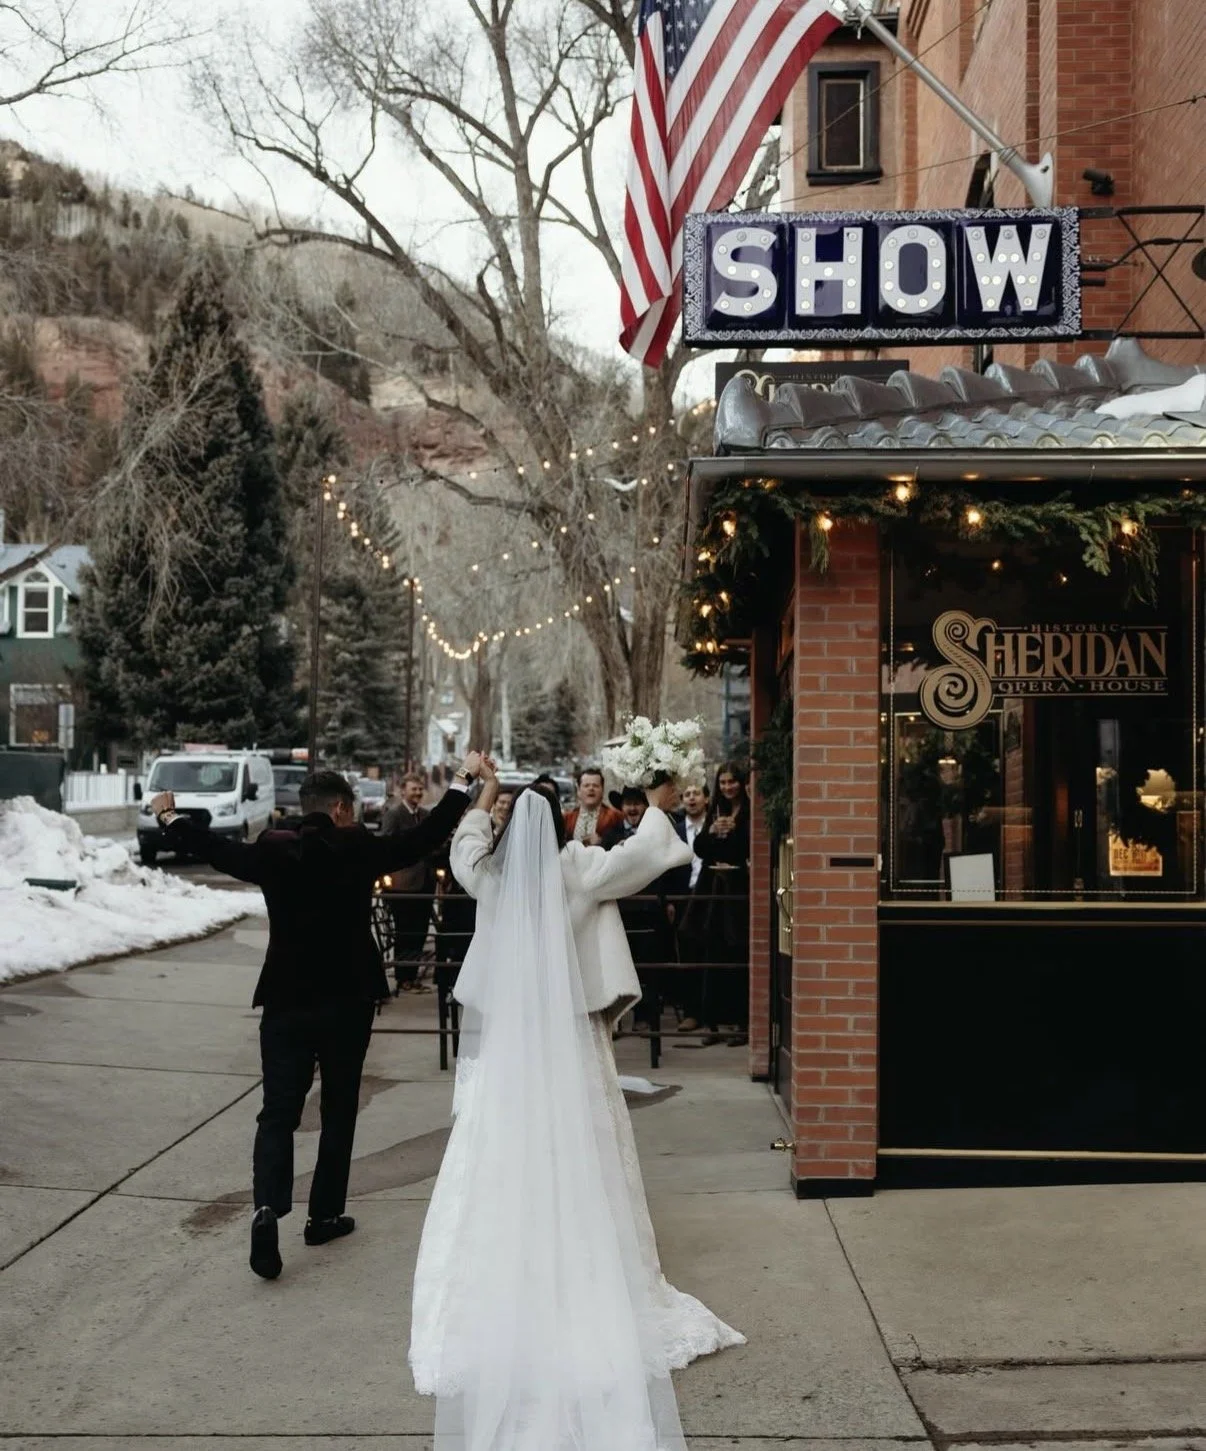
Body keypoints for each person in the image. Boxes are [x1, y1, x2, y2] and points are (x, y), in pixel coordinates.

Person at [410, 763, 743, 1450]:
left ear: (510, 824)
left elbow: (462, 849)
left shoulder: (493, 876)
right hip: (568, 1036)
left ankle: (518, 1248)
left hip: (511, 1042)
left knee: (502, 1146)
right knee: (581, 1143)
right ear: (560, 816)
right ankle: (580, 1247)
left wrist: (481, 801)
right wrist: (657, 806)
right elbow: (643, 858)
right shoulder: (578, 866)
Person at [150, 757, 482, 1280]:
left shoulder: (272, 851)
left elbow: (216, 851)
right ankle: (323, 1214)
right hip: (347, 1000)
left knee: (278, 1109)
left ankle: (266, 1207)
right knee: (339, 1105)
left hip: (286, 998)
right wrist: (463, 781)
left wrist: (170, 820)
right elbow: (425, 838)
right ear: (343, 808)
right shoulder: (358, 848)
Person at [690, 763, 751, 1047]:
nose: (728, 787)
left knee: (738, 953)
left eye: (733, 782)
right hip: (713, 889)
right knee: (711, 953)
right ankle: (710, 1023)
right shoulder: (714, 810)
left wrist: (736, 831)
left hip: (738, 888)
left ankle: (741, 1023)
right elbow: (700, 849)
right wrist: (713, 830)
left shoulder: (750, 811)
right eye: (723, 782)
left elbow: (752, 846)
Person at [381, 773, 438, 993]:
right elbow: (386, 842)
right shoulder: (394, 814)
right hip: (401, 885)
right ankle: (403, 977)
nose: (418, 793)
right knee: (404, 932)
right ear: (403, 790)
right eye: (414, 789)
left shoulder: (425, 815)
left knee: (419, 932)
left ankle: (412, 977)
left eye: (420, 789)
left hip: (424, 883)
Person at [670, 782, 711, 1033]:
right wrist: (671, 900)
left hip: (710, 892)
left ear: (706, 798)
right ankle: (691, 1012)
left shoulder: (716, 825)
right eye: (687, 794)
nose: (692, 798)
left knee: (712, 953)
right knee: (687, 954)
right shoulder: (674, 831)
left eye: (697, 793)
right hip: (684, 895)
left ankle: (713, 1013)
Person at [564, 765, 623, 845]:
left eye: (595, 786)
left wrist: (601, 842)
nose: (591, 788)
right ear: (578, 790)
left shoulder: (615, 816)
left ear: (602, 790)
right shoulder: (567, 818)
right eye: (586, 785)